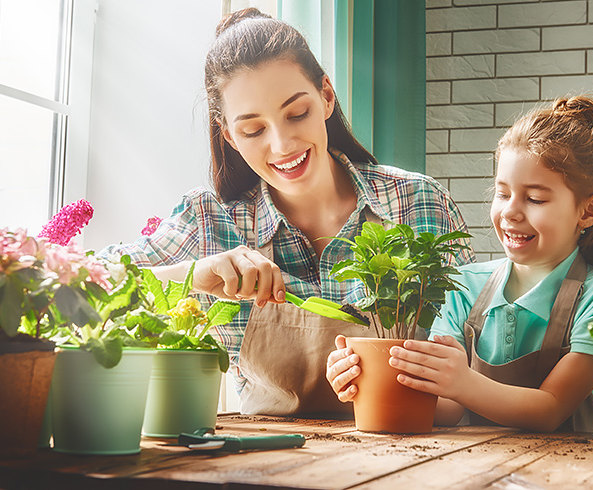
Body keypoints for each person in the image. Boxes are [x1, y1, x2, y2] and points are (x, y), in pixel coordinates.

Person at [98, 8, 474, 416]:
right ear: (230, 136)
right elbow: (84, 284)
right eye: (253, 130)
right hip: (271, 464)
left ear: (326, 96)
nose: (282, 145)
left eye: (297, 114)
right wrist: (194, 274)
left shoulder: (418, 203)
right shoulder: (210, 221)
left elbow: (480, 360)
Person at [327, 97, 593, 432]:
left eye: (535, 198)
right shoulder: (463, 285)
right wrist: (363, 378)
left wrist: (463, 382)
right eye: (502, 193)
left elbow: (551, 409)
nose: (510, 211)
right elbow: (447, 409)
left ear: (589, 211)